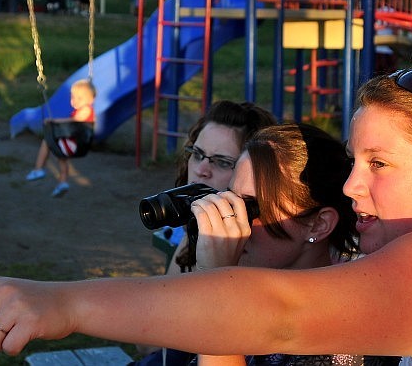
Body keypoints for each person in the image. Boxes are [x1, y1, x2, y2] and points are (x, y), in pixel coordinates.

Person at [0, 64, 412, 365]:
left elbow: (283, 316)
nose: (351, 186)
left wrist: (65, 304)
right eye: (353, 160)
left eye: (380, 165)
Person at [138, 123, 398, 366]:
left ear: (318, 225)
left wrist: (215, 283)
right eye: (230, 198)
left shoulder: (339, 334)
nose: (234, 218)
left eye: (252, 207)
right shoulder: (251, 292)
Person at [133, 100, 277, 363]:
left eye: (222, 162)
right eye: (197, 154)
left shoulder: (261, 248)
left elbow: (156, 335)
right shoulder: (198, 230)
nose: (201, 169)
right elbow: (151, 340)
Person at [25, 78, 96, 197]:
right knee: (61, 157)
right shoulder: (82, 110)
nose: (75, 101)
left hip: (77, 144)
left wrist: (54, 121)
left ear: (91, 99)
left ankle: (38, 169)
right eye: (73, 97)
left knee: (48, 140)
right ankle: (62, 183)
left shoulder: (86, 110)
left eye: (79, 98)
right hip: (73, 143)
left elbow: (75, 120)